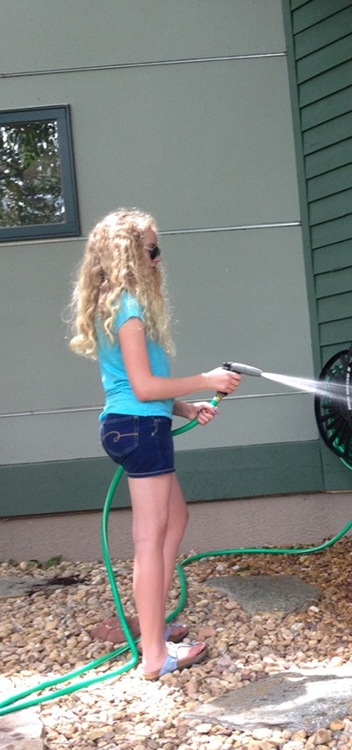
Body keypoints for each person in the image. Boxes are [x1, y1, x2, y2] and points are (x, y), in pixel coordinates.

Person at [69, 209, 241, 680]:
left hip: (136, 425)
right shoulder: (128, 308)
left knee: (175, 520)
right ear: (130, 254)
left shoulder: (117, 304)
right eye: (152, 250)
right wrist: (206, 379)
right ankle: (153, 655)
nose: (158, 259)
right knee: (149, 540)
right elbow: (144, 388)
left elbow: (135, 386)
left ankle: (153, 627)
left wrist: (185, 407)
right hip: (140, 429)